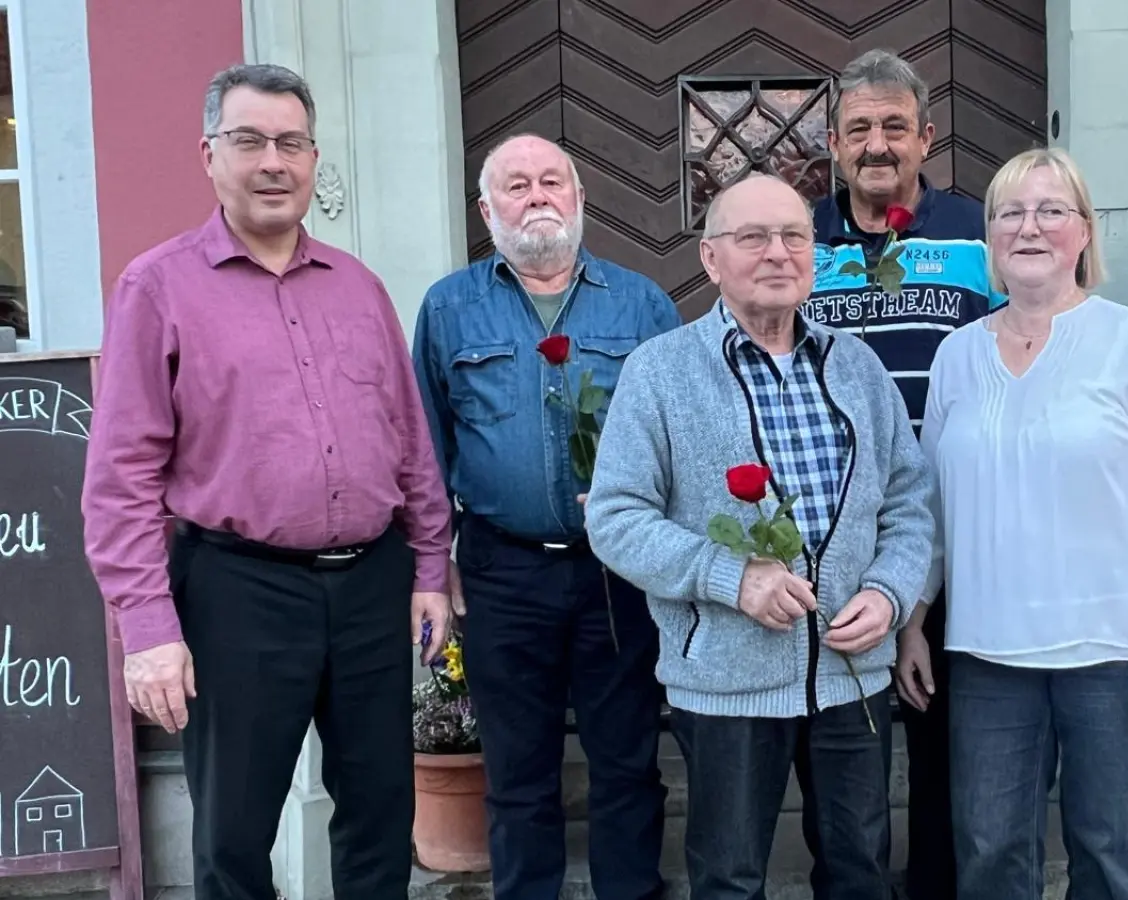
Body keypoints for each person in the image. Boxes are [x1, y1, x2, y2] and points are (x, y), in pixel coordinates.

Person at [81, 63, 454, 900]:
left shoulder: (358, 289)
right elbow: (120, 475)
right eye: (249, 141)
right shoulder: (158, 287)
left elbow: (409, 443)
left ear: (315, 159)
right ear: (209, 155)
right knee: (234, 834)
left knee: (380, 818)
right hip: (236, 590)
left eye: (290, 143)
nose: (272, 162)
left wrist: (431, 567)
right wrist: (147, 627)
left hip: (370, 587)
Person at [584, 173, 934, 900]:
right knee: (730, 879)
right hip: (725, 684)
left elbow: (910, 500)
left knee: (860, 872)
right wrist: (729, 577)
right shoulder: (661, 372)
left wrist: (891, 592)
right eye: (753, 238)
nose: (777, 252)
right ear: (711, 259)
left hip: (852, 677)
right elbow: (614, 516)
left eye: (794, 236)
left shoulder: (857, 366)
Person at [919, 146, 1128, 900]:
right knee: (987, 854)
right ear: (988, 237)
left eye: (1052, 210)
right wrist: (911, 623)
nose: (1029, 227)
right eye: (1010, 212)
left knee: (1112, 857)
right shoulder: (956, 357)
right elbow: (933, 509)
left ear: (1084, 233)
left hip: (1112, 658)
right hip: (986, 656)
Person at [412, 132, 680, 900]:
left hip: (619, 571)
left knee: (627, 758)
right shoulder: (449, 307)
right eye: (518, 184)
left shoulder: (641, 304)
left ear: (580, 200)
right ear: (487, 209)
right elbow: (424, 444)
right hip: (503, 567)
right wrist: (433, 565)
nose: (538, 196)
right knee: (518, 768)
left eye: (553, 181)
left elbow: (681, 430)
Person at [805, 50, 999, 898]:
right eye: (858, 129)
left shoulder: (977, 231)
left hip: (958, 535)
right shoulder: (799, 238)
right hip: (834, 538)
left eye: (893, 126)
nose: (876, 145)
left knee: (943, 747)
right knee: (838, 759)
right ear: (833, 143)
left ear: (926, 135)